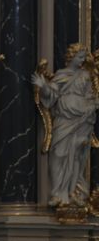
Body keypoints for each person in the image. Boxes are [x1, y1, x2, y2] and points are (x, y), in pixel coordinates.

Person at [32, 43, 99, 207]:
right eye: (80, 57)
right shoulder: (62, 74)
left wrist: (90, 107)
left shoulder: (85, 75)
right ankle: (58, 192)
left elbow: (92, 97)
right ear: (71, 57)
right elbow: (52, 95)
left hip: (82, 120)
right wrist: (43, 86)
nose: (82, 60)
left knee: (77, 156)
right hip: (64, 120)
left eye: (84, 57)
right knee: (58, 153)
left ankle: (73, 191)